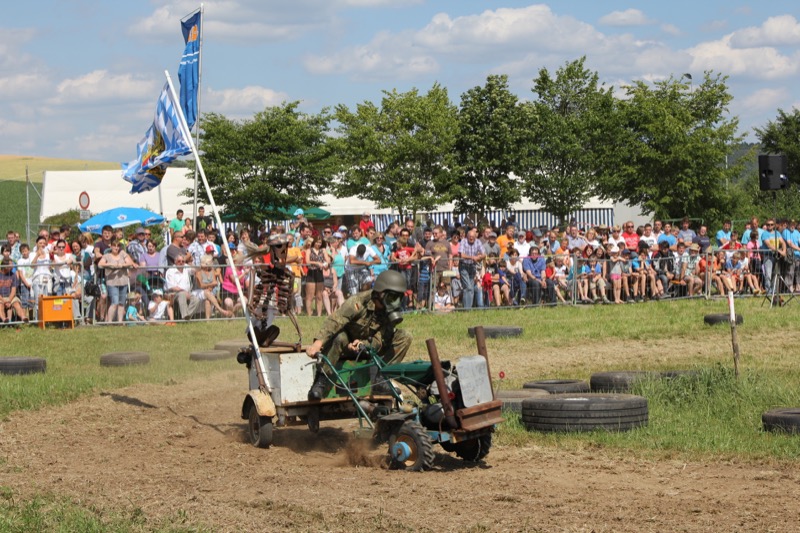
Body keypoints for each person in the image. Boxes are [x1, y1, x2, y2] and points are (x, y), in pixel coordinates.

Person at [305, 270, 412, 400]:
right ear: (380, 292)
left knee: (405, 336)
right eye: (392, 297)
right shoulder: (359, 302)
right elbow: (335, 321)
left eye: (398, 298)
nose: (395, 302)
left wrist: (364, 345)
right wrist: (317, 344)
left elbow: (381, 338)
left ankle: (382, 378)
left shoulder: (389, 312)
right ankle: (320, 381)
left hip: (368, 348)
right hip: (345, 346)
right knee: (339, 337)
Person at [97, 237, 135, 322]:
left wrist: (122, 265)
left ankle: (120, 321)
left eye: (118, 246)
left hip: (123, 281)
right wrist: (110, 265)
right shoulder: (107, 256)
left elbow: (130, 262)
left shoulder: (123, 254)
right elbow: (100, 264)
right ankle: (109, 321)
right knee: (115, 302)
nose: (116, 248)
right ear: (111, 246)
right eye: (114, 246)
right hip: (112, 282)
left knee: (121, 303)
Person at [0, 258, 26, 323]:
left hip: (10, 297)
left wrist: (9, 300)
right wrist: (4, 301)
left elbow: (13, 290)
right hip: (1, 297)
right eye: (11, 264)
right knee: (0, 306)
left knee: (17, 304)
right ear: (5, 266)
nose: (13, 266)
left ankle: (23, 317)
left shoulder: (13, 275)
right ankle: (4, 319)